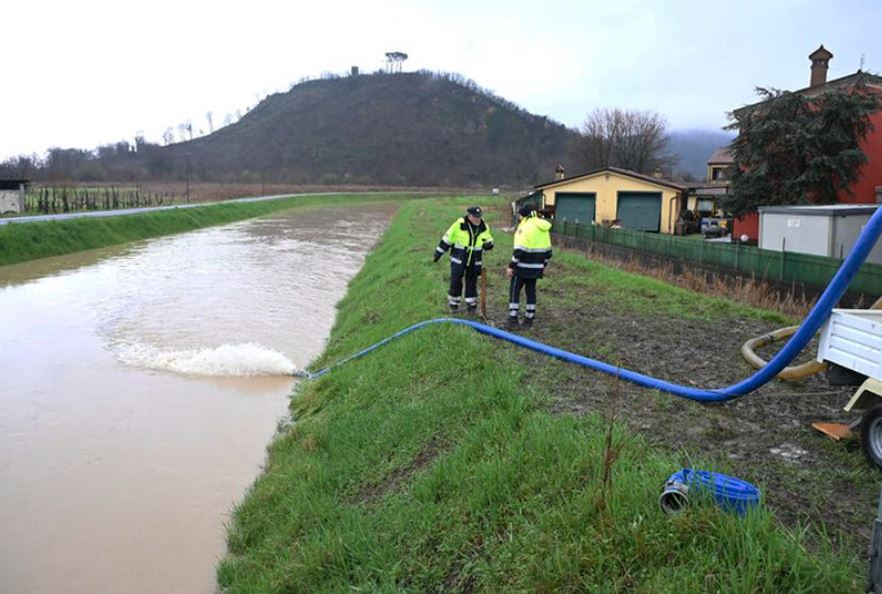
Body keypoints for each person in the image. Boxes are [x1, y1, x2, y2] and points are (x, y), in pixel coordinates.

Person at [433, 206, 494, 313]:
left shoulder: (484, 226)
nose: (477, 219)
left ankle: (471, 304)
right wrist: (438, 254)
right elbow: (447, 240)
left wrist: (489, 244)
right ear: (469, 216)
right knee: (456, 279)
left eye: (479, 217)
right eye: (475, 217)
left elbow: (488, 238)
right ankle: (454, 303)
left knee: (472, 280)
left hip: (475, 259)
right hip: (459, 258)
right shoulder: (459, 225)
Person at [506, 204, 552, 329]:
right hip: (536, 268)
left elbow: (519, 250)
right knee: (531, 292)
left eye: (520, 216)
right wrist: (542, 265)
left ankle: (513, 318)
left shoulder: (524, 228)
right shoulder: (543, 228)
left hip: (521, 267)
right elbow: (549, 252)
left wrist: (511, 266)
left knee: (514, 291)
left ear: (523, 216)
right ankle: (529, 319)